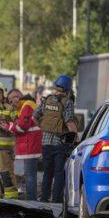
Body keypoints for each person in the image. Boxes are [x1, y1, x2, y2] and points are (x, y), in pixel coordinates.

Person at [33, 75, 78, 203]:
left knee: (47, 173)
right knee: (59, 173)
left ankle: (44, 198)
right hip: (60, 143)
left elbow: (34, 117)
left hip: (46, 143)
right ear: (68, 89)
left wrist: (43, 127)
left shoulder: (47, 100)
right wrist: (76, 139)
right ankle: (56, 200)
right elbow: (69, 122)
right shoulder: (67, 102)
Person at [3, 89, 42, 201]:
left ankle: (31, 201)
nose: (12, 104)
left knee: (29, 176)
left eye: (11, 101)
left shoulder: (27, 106)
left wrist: (9, 127)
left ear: (17, 97)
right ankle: (32, 199)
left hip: (30, 145)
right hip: (30, 144)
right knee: (30, 175)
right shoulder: (26, 105)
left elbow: (22, 127)